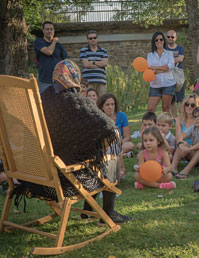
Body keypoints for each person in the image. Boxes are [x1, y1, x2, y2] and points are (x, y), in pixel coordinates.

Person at [37, 59, 130, 223]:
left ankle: (89, 209)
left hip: (36, 175)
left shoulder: (41, 100)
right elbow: (109, 129)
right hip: (64, 178)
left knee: (91, 154)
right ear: (74, 78)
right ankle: (109, 212)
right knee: (108, 157)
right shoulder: (75, 102)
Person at [171, 107, 199, 179]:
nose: (196, 119)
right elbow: (182, 135)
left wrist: (190, 149)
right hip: (193, 156)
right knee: (183, 143)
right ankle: (173, 168)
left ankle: (186, 170)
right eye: (195, 117)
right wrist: (180, 143)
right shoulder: (193, 127)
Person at [34, 21, 68, 93]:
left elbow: (66, 61)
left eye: (51, 29)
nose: (49, 31)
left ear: (54, 31)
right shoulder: (39, 42)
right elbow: (48, 52)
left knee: (59, 103)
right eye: (47, 29)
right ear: (43, 31)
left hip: (58, 80)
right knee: (45, 102)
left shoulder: (59, 46)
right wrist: (54, 41)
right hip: (45, 80)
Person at [97, 94, 135, 158]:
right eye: (107, 105)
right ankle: (121, 155)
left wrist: (117, 143)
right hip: (105, 147)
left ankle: (110, 156)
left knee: (130, 145)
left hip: (119, 144)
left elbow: (127, 137)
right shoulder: (99, 119)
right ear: (102, 107)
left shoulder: (122, 116)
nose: (110, 107)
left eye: (112, 104)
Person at [147, 32, 176, 113]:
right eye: (156, 40)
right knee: (150, 110)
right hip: (155, 85)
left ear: (164, 41)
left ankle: (167, 125)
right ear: (154, 42)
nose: (159, 41)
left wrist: (156, 67)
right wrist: (164, 68)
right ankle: (149, 125)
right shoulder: (150, 55)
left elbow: (170, 67)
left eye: (161, 39)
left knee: (166, 108)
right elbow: (150, 70)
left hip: (169, 84)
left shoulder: (169, 53)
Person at [80, 30, 108, 97]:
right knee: (89, 102)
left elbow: (105, 63)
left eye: (94, 38)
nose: (93, 39)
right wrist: (99, 64)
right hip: (88, 81)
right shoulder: (83, 50)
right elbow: (85, 64)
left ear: (97, 38)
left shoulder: (103, 50)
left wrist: (93, 62)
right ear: (88, 40)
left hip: (101, 80)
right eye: (90, 38)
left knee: (101, 102)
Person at [166, 30, 185, 117]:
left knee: (180, 99)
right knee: (171, 100)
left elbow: (181, 59)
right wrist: (174, 59)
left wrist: (169, 61)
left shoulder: (180, 48)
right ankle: (174, 118)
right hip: (168, 76)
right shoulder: (164, 48)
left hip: (178, 75)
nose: (170, 38)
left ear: (176, 38)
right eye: (168, 37)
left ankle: (181, 117)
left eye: (172, 37)